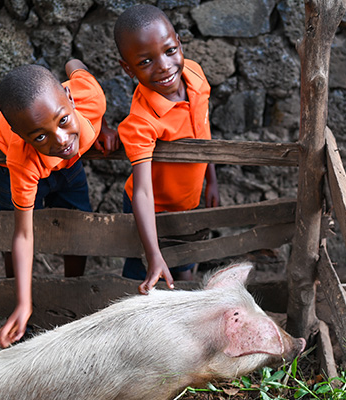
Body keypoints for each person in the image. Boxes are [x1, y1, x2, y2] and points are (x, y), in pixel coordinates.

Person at [0, 60, 119, 347]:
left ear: (71, 100)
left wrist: (104, 126)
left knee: (77, 221)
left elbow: (74, 64)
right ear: (23, 136)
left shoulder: (90, 97)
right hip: (14, 165)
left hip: (68, 166)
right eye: (42, 135)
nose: (60, 139)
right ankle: (17, 303)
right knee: (15, 221)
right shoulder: (21, 157)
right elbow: (23, 233)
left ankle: (71, 294)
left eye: (63, 120)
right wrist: (25, 303)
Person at [113, 4, 219, 295]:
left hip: (189, 200)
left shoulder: (195, 77)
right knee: (143, 277)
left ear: (179, 43)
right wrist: (153, 253)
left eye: (170, 51)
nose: (163, 66)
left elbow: (202, 131)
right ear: (128, 68)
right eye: (145, 61)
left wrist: (211, 180)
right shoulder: (141, 122)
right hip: (151, 211)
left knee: (185, 268)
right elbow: (143, 192)